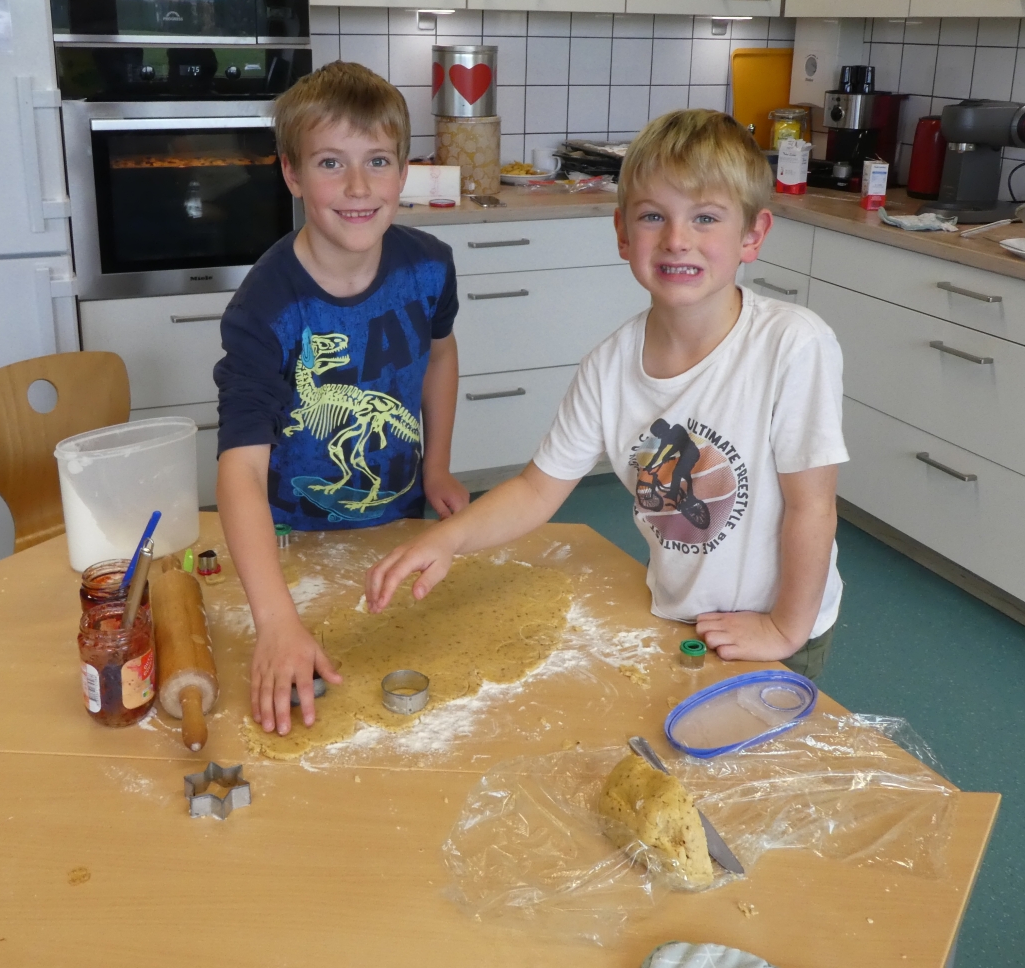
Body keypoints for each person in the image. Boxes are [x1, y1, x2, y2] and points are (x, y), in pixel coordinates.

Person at [365, 109, 848, 679]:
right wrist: (448, 540)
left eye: (705, 218)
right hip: (683, 614)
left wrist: (785, 628)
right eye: (653, 216)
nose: (677, 240)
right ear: (622, 233)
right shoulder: (610, 366)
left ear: (752, 235)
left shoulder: (792, 345)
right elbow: (535, 490)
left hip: (778, 624)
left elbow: (812, 507)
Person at [214, 61, 469, 737]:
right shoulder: (264, 309)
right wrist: (275, 621)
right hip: (292, 541)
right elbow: (240, 468)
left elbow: (441, 354)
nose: (358, 187)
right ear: (292, 174)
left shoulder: (429, 266)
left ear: (403, 172)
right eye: (331, 162)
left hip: (399, 523)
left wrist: (437, 466)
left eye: (376, 161)